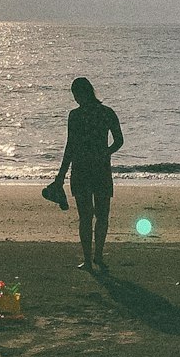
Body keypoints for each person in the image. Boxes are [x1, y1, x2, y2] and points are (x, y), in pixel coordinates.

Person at [52, 76, 124, 270]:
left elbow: (70, 147)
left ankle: (90, 259)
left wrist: (61, 176)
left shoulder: (76, 116)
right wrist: (105, 152)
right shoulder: (107, 113)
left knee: (88, 216)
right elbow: (119, 141)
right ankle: (96, 257)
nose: (75, 99)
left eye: (76, 94)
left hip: (82, 170)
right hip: (100, 169)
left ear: (83, 93)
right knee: (100, 215)